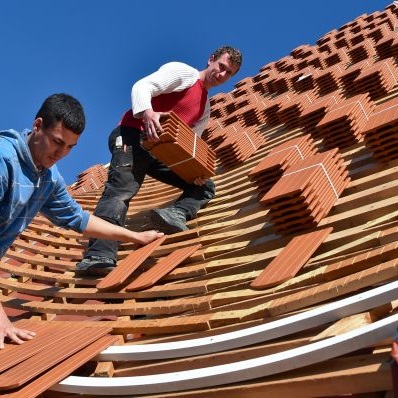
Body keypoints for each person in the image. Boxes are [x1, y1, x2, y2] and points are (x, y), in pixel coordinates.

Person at [0, 93, 164, 348]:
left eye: (70, 147)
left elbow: (78, 218)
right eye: (57, 142)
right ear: (37, 126)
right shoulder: (4, 161)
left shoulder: (47, 178)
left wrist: (134, 237)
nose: (61, 153)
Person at [75, 46, 242, 276]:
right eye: (221, 66)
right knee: (122, 190)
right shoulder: (184, 74)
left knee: (204, 187)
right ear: (211, 60)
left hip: (160, 152)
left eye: (229, 73)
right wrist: (147, 112)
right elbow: (142, 86)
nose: (222, 74)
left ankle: (176, 214)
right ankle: (98, 254)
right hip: (133, 136)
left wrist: (194, 171)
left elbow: (189, 143)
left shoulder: (205, 109)